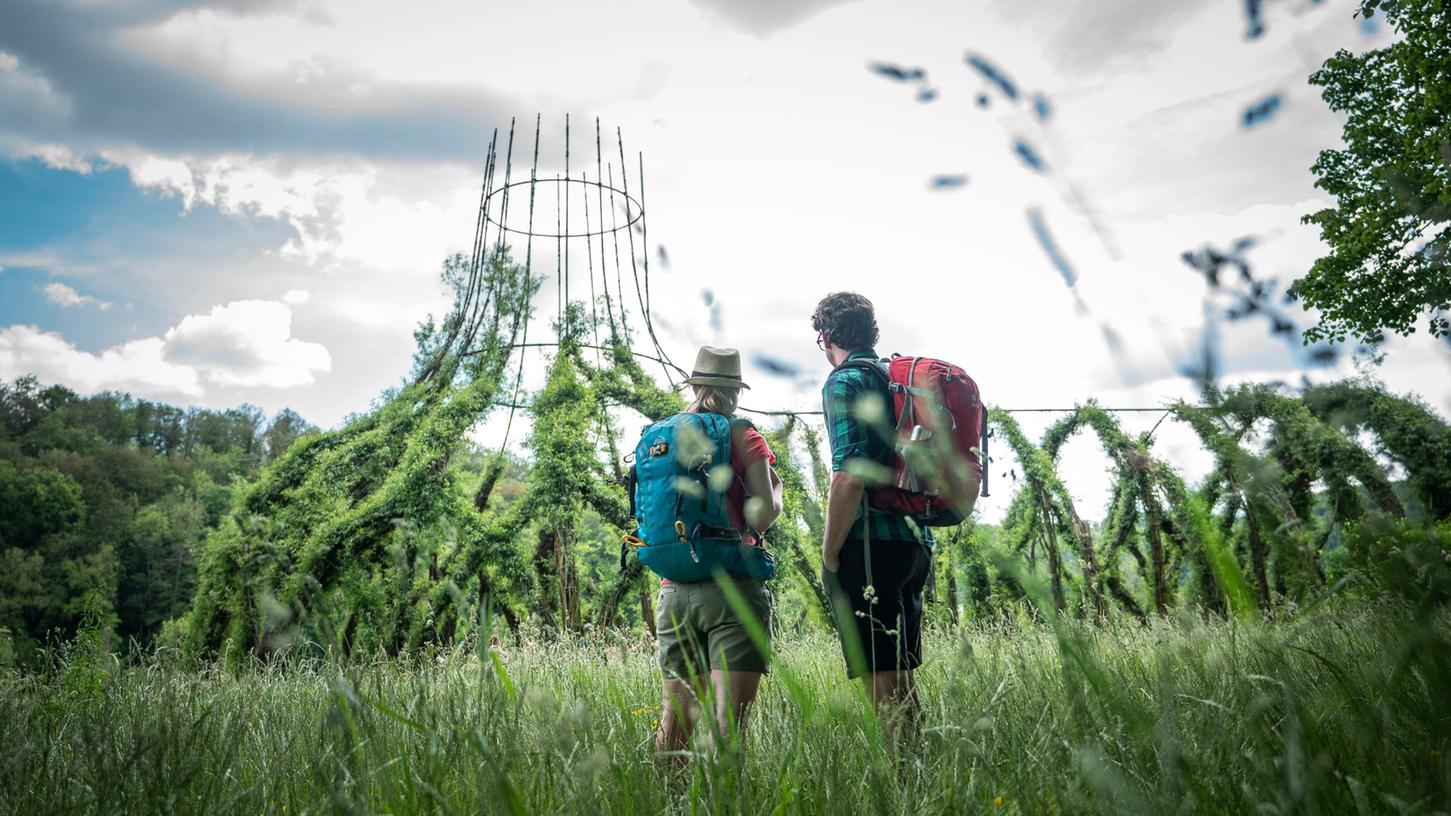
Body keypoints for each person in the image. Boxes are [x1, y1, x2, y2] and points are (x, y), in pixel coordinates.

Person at [812, 292, 932, 744]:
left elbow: (848, 475)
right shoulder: (895, 378)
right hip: (913, 543)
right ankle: (921, 782)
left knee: (881, 684)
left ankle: (902, 793)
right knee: (900, 678)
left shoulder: (844, 382)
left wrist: (830, 551)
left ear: (825, 336)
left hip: (869, 546)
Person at [654, 346, 783, 759]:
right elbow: (760, 516)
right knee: (727, 728)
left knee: (675, 723)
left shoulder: (665, 434)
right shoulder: (744, 435)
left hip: (674, 589)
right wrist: (776, 491)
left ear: (695, 385)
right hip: (732, 589)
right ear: (736, 392)